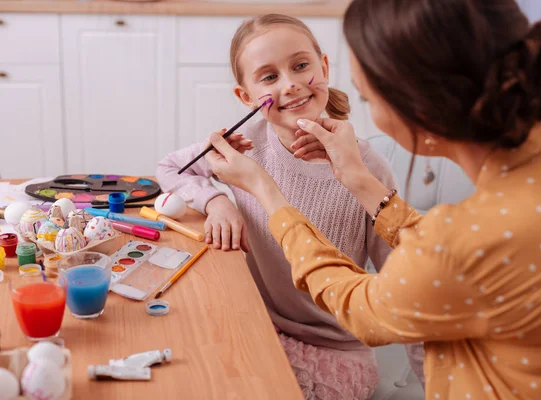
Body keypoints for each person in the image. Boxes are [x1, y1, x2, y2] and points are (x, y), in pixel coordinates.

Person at [202, 1, 541, 399]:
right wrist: (357, 177)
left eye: (367, 99)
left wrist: (268, 193)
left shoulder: (456, 246)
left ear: (420, 109)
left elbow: (361, 308)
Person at [156, 14, 425, 399]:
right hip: (257, 322)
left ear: (324, 67)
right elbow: (169, 167)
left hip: (335, 350)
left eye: (300, 66)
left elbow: (408, 286)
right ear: (245, 97)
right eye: (269, 77)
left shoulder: (370, 171)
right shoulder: (245, 141)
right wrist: (218, 201)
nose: (291, 84)